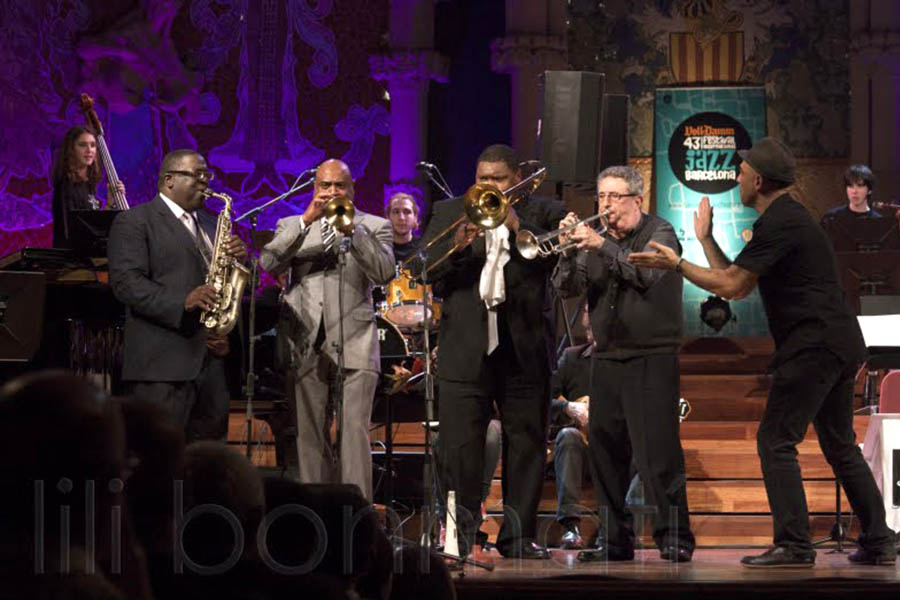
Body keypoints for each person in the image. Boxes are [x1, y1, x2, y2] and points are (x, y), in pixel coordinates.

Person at [628, 137, 897, 568]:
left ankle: (794, 544)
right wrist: (706, 239)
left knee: (776, 440)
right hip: (835, 342)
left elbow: (732, 286)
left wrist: (676, 264)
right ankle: (880, 541)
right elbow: (739, 280)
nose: (736, 178)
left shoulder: (781, 222)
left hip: (815, 345)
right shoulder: (785, 219)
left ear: (758, 179)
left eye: (741, 172)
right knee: (840, 445)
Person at [416, 144, 566, 559]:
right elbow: (420, 270)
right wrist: (458, 247)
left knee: (527, 445)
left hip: (524, 349)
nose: (488, 186)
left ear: (516, 179)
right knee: (459, 449)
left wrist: (518, 225)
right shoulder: (450, 212)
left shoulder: (545, 213)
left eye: (497, 179)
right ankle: (457, 538)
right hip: (465, 350)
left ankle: (518, 538)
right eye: (482, 178)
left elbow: (553, 265)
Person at [553, 165, 695, 563]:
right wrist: (567, 252)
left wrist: (601, 246)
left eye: (615, 197)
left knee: (658, 453)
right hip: (608, 357)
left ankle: (675, 536)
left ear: (637, 199)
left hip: (652, 356)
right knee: (605, 451)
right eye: (601, 197)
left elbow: (646, 275)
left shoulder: (660, 232)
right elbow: (566, 289)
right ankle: (615, 540)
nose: (607, 205)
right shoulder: (596, 242)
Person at [259, 159, 394, 500]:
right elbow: (269, 262)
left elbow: (384, 273)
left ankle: (357, 516)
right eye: (325, 186)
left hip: (356, 338)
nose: (332, 192)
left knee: (353, 433)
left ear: (352, 189)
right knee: (309, 435)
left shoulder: (374, 225)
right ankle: (314, 516)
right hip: (305, 338)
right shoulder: (291, 224)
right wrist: (307, 221)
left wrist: (354, 232)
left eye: (339, 186)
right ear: (314, 189)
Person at [108, 149, 246, 442]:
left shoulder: (211, 224)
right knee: (157, 459)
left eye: (207, 175)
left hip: (211, 363)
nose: (205, 183)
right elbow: (127, 284)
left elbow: (226, 282)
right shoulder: (135, 221)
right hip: (160, 367)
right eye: (197, 176)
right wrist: (183, 300)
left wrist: (241, 262)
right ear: (169, 180)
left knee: (208, 463)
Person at [51, 125, 126, 248]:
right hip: (74, 262)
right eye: (82, 145)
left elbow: (94, 227)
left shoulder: (87, 185)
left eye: (93, 145)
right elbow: (71, 234)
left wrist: (110, 204)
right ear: (71, 150)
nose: (89, 150)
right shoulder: (66, 186)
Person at [385, 191, 422, 264]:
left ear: (415, 217)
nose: (401, 218)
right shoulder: (378, 250)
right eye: (396, 212)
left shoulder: (423, 247)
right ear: (388, 217)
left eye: (407, 212)